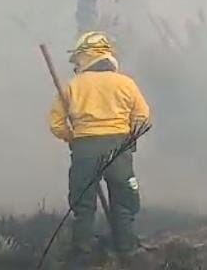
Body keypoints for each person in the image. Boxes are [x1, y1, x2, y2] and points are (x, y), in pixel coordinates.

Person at [49, 31, 152, 260]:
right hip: (119, 147)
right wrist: (129, 138)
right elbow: (143, 116)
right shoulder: (126, 83)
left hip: (84, 148)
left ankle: (82, 254)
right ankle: (126, 250)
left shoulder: (72, 86)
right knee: (124, 202)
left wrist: (72, 136)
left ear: (85, 56)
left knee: (82, 205)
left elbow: (55, 123)